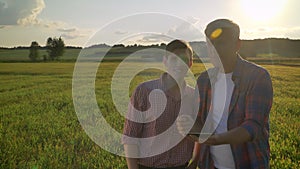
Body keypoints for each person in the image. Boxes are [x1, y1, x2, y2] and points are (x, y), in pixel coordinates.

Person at [177, 19, 273, 169]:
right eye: (210, 44)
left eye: (220, 43)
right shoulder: (204, 80)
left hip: (249, 162)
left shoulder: (257, 77)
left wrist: (216, 139)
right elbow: (201, 122)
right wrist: (189, 125)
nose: (213, 50)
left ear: (237, 45)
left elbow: (253, 126)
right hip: (210, 163)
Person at [122, 39, 200, 169]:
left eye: (184, 60)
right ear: (165, 61)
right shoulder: (144, 91)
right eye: (173, 59)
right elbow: (130, 137)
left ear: (190, 63)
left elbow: (201, 134)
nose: (179, 64)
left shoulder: (194, 96)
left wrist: (195, 163)